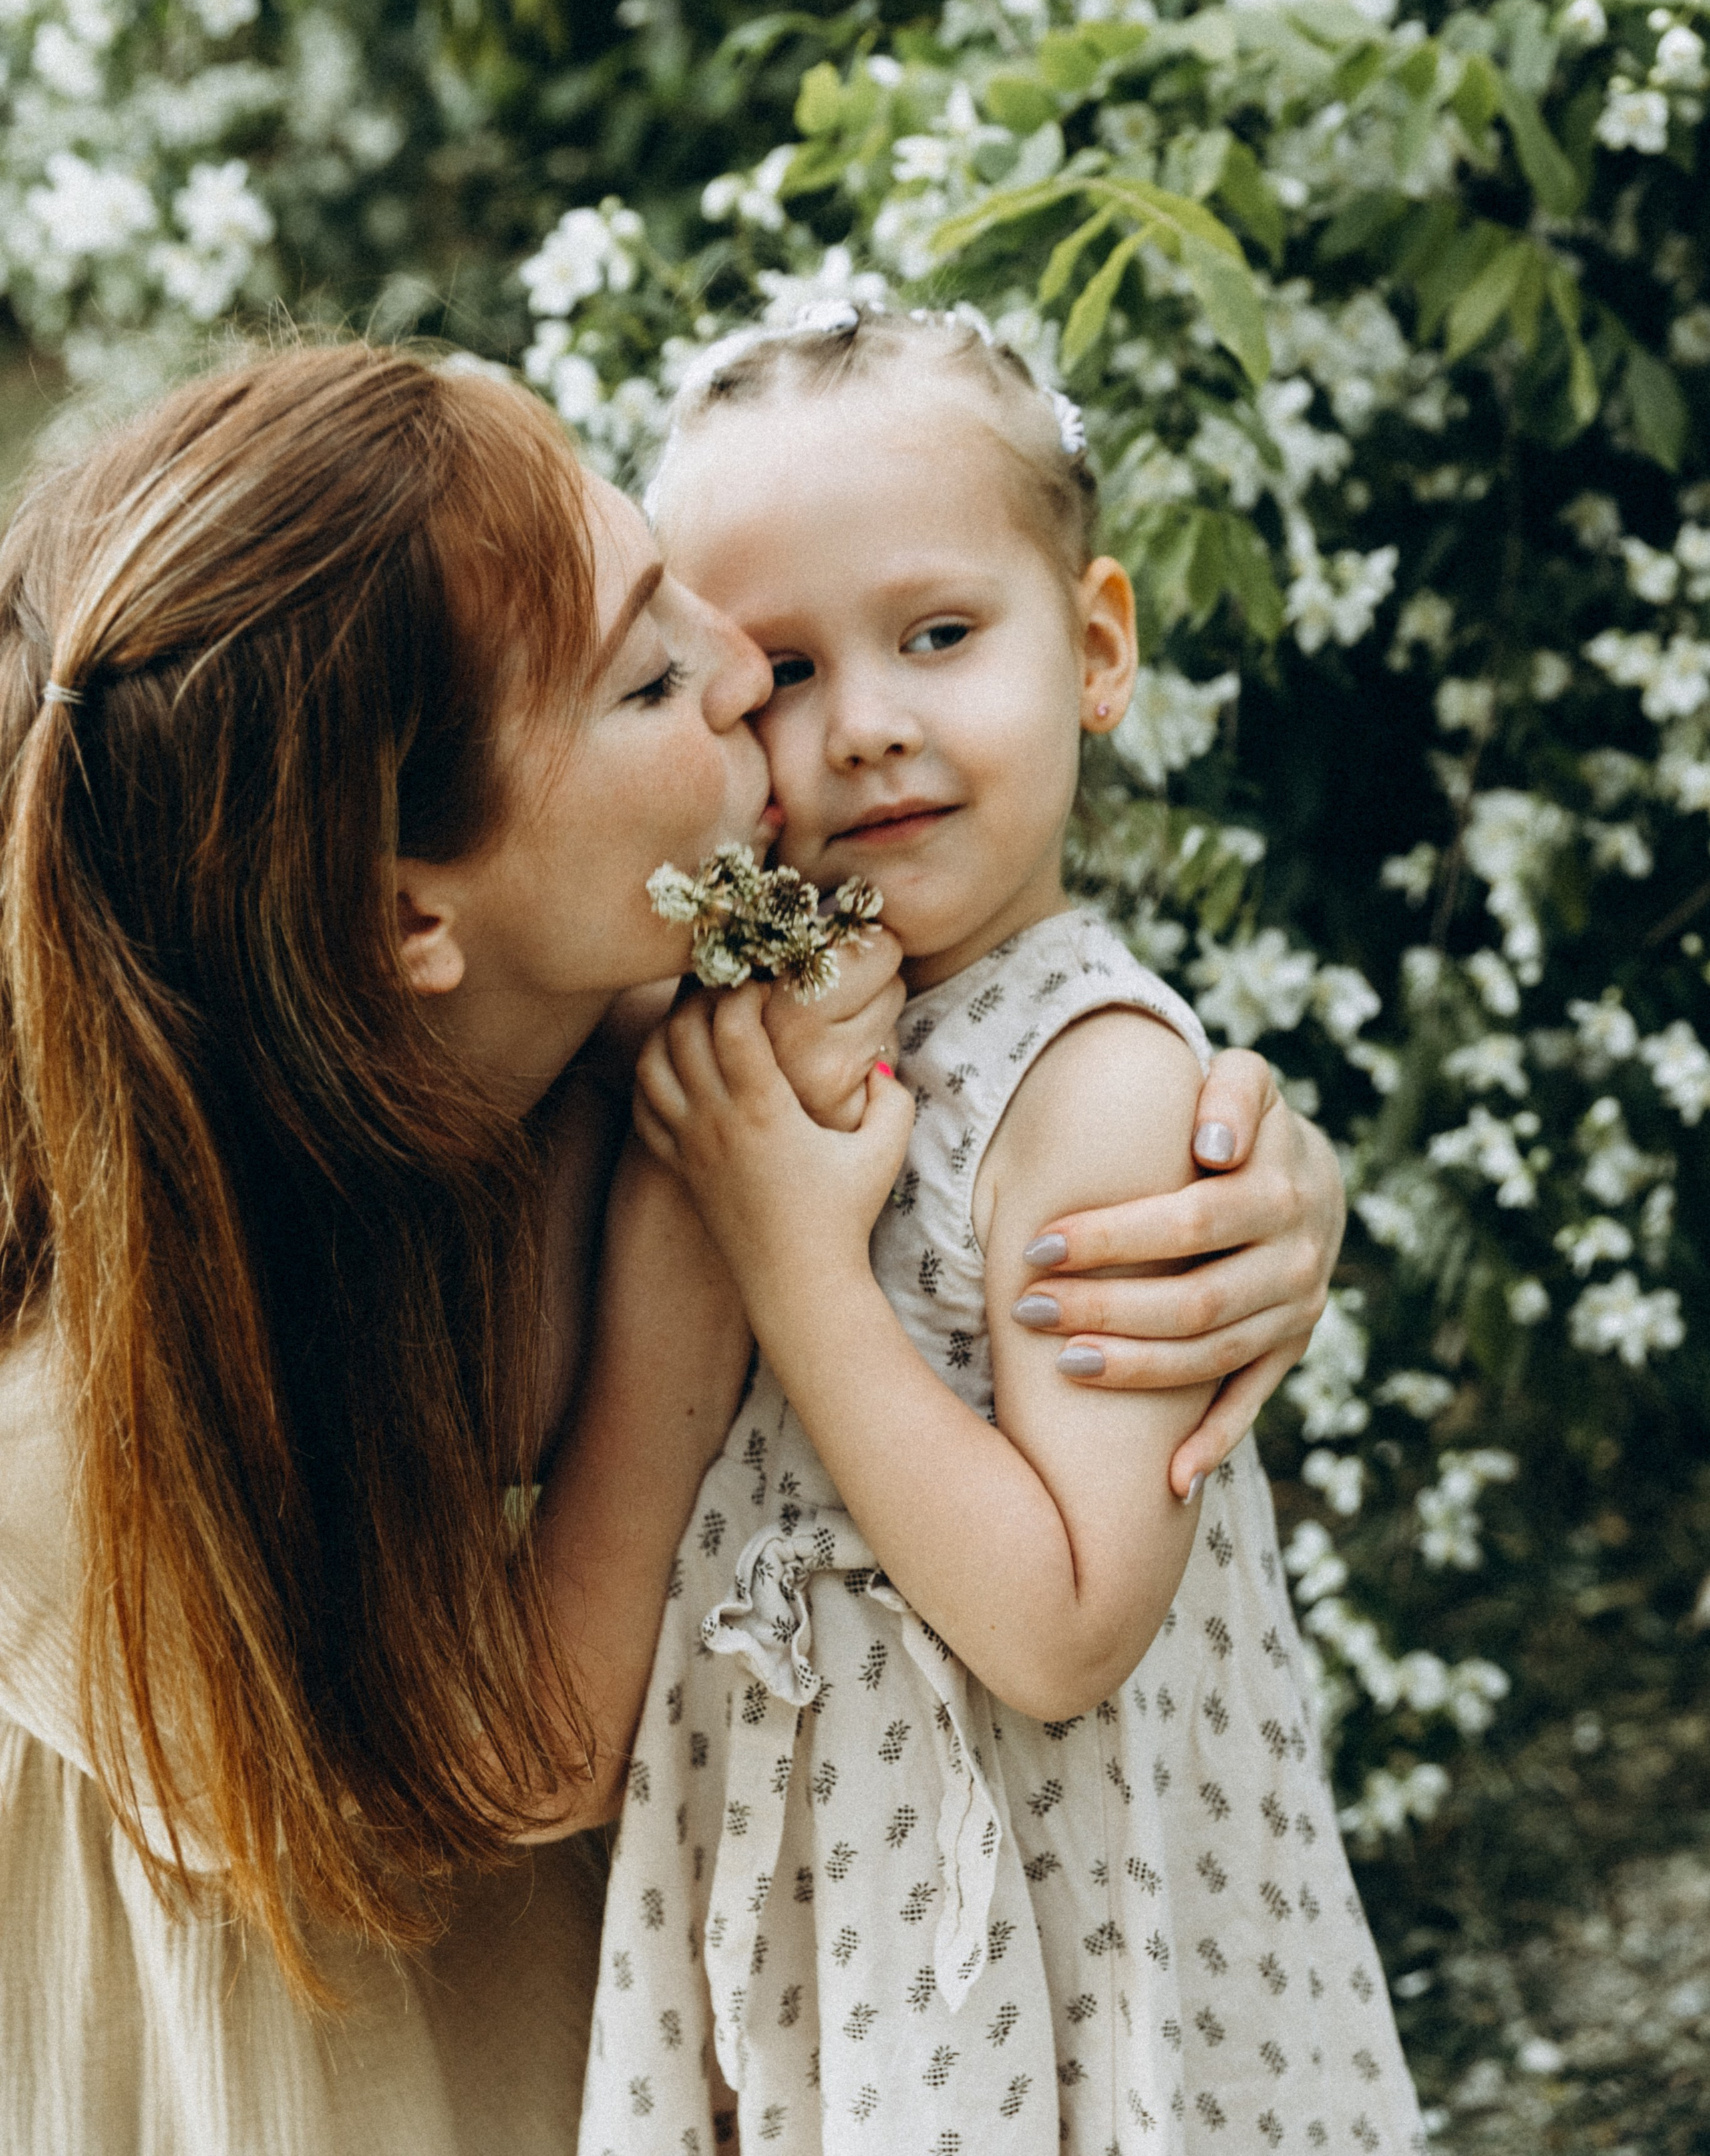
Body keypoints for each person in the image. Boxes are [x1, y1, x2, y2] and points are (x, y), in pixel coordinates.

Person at [0, 342, 1343, 2156]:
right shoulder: (68, 1399)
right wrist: (691, 1262)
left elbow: (1010, 1094)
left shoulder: (627, 993)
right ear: (406, 918)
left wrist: (1251, 1182)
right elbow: (520, 1760)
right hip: (332, 1999)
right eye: (655, 674)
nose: (745, 678)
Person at [578, 307, 1423, 2154]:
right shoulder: (721, 1036)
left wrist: (791, 1259)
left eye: (941, 635)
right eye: (782, 671)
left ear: (1097, 648)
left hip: (1033, 1942)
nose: (867, 722)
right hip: (829, 1928)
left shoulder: (1097, 1086)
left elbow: (1063, 1628)